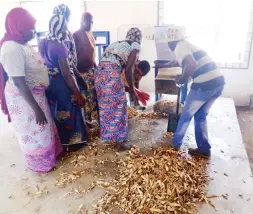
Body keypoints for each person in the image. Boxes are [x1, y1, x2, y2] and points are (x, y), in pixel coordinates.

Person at [0, 8, 62, 173]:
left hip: (36, 95)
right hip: (24, 100)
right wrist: (36, 110)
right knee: (35, 133)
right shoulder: (11, 48)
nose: (34, 32)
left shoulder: (22, 43)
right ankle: (40, 165)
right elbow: (19, 83)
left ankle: (48, 158)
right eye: (31, 28)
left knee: (43, 130)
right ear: (19, 27)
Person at [156, 27, 225, 158]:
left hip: (204, 85)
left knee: (186, 116)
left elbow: (191, 64)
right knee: (200, 116)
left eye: (168, 43)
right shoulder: (187, 45)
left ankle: (175, 146)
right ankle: (204, 149)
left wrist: (182, 79)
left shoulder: (179, 47)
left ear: (171, 43)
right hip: (218, 83)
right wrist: (166, 65)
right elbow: (180, 60)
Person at [39, 14, 87, 152]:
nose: (67, 29)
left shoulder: (43, 41)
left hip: (49, 81)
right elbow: (66, 73)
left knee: (56, 111)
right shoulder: (59, 46)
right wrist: (77, 93)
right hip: (62, 82)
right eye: (65, 26)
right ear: (61, 28)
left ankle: (60, 142)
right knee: (70, 109)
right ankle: (73, 143)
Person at [94, 28, 142, 151]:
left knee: (107, 106)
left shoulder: (116, 43)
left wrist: (128, 88)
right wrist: (133, 90)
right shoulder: (135, 46)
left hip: (99, 73)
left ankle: (109, 136)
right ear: (138, 39)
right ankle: (120, 143)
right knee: (120, 106)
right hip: (112, 72)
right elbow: (129, 69)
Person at [73, 12, 98, 125]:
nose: (90, 24)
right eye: (88, 22)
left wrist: (95, 66)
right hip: (81, 73)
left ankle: (93, 122)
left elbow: (91, 53)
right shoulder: (76, 35)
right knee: (86, 99)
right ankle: (87, 124)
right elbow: (72, 57)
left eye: (92, 22)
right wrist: (78, 75)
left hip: (90, 71)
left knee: (93, 98)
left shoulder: (90, 34)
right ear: (82, 21)